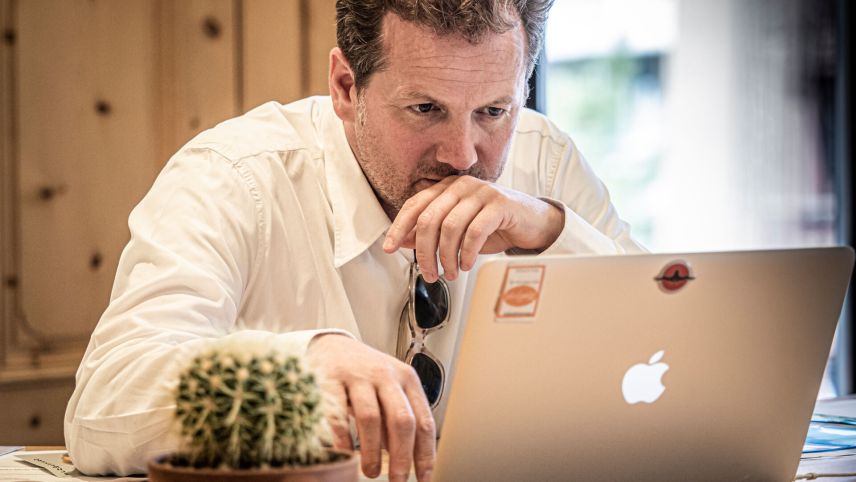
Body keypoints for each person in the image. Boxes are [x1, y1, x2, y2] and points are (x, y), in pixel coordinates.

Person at [64, 1, 644, 480]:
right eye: (425, 109)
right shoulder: (233, 176)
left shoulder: (546, 162)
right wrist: (302, 365)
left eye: (494, 111)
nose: (464, 155)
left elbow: (666, 349)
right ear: (346, 87)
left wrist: (549, 231)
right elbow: (102, 409)